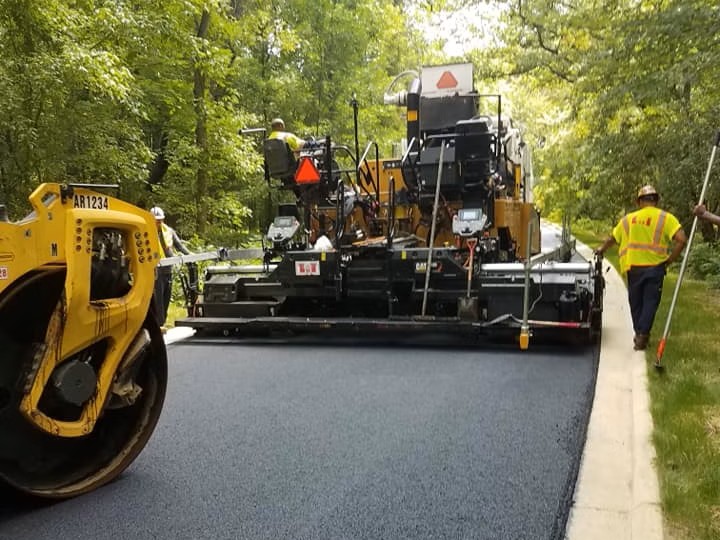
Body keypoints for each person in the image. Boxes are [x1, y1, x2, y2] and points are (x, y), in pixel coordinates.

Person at [594, 185, 688, 351]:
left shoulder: (628, 219)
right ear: (656, 201)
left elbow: (612, 238)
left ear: (639, 202)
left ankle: (640, 334)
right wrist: (670, 260)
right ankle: (642, 335)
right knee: (650, 302)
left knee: (635, 302)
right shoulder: (666, 218)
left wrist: (601, 249)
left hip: (634, 267)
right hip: (655, 267)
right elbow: (681, 239)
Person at [151, 206, 191, 331]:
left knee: (166, 297)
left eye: (160, 220)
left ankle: (163, 321)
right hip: (155, 271)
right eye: (156, 220)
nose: (159, 222)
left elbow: (179, 246)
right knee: (158, 299)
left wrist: (190, 256)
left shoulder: (169, 231)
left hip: (168, 270)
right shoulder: (146, 232)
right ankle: (159, 324)